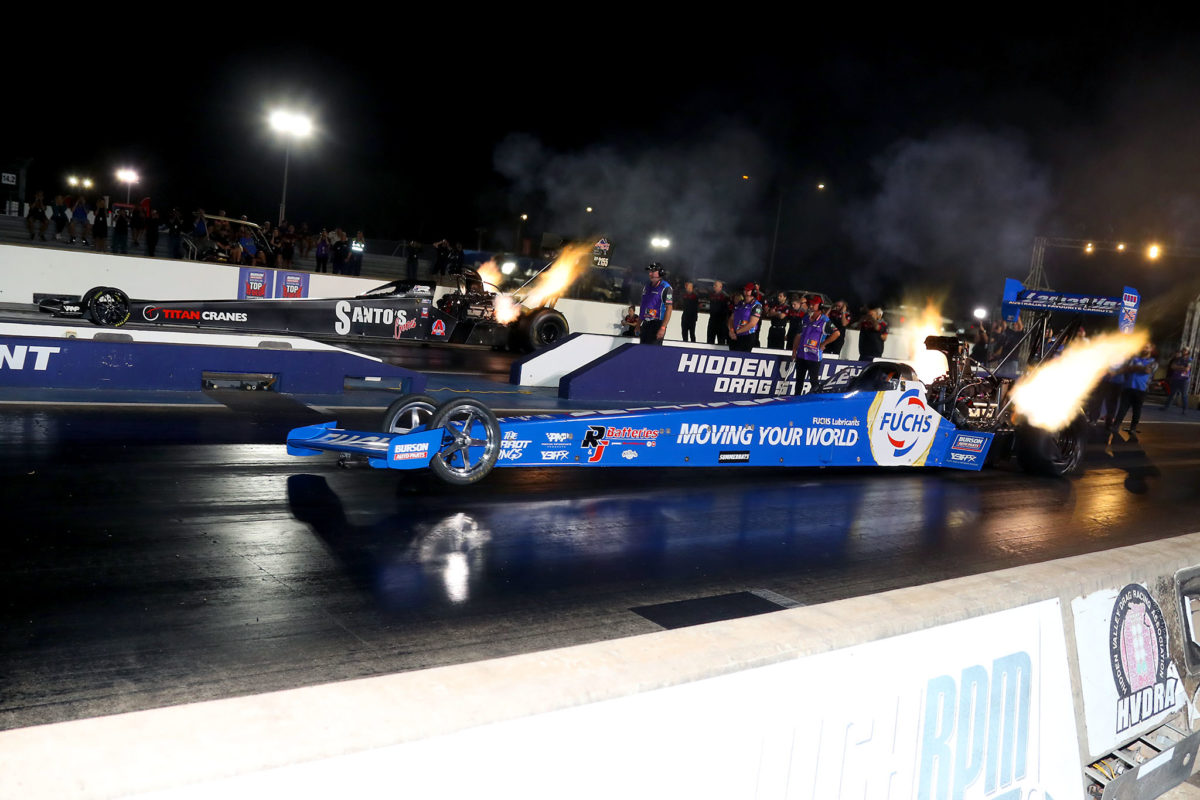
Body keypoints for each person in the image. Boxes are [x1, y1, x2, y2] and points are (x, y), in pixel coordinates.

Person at [792, 295, 840, 394]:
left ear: (820, 306)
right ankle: (796, 399)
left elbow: (837, 333)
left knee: (813, 381)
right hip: (801, 355)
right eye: (810, 304)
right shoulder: (805, 318)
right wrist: (794, 350)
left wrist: (824, 343)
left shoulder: (824, 320)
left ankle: (817, 399)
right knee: (799, 381)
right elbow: (798, 335)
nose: (811, 306)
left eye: (814, 304)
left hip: (814, 356)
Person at [1110, 343, 1158, 434]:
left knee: (1137, 410)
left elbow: (1147, 370)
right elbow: (1126, 368)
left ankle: (1133, 428)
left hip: (1141, 389)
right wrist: (1139, 368)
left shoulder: (1153, 362)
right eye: (1143, 347)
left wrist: (1133, 368)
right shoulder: (1134, 359)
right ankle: (1116, 426)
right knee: (1122, 408)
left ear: (1151, 349)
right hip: (1128, 387)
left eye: (1147, 347)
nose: (1144, 349)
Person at [635, 262, 673, 345]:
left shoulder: (666, 287)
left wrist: (663, 327)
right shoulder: (647, 286)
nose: (650, 274)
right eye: (649, 271)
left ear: (660, 272)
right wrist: (638, 325)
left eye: (653, 271)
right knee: (642, 349)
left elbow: (669, 309)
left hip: (657, 324)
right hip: (646, 323)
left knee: (654, 350)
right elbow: (643, 307)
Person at [728, 283, 763, 352]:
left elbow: (752, 323)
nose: (746, 291)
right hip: (734, 337)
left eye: (748, 290)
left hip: (747, 337)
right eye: (745, 290)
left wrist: (736, 332)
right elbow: (731, 319)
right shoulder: (740, 303)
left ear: (753, 292)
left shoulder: (757, 305)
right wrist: (731, 331)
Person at [1165, 347, 1192, 413]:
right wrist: (1182, 367)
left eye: (1185, 350)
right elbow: (1172, 366)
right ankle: (1166, 407)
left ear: (1188, 352)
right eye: (1183, 349)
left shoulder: (1189, 359)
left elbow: (1187, 369)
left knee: (1184, 395)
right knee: (1171, 393)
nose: (1183, 351)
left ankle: (1185, 409)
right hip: (1175, 378)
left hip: (1184, 379)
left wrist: (1177, 367)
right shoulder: (1177, 359)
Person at [706, 280, 731, 345]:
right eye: (714, 285)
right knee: (709, 341)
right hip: (712, 321)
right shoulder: (711, 295)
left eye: (716, 285)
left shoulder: (725, 297)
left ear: (720, 287)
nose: (714, 286)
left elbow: (727, 310)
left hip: (721, 322)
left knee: (721, 342)